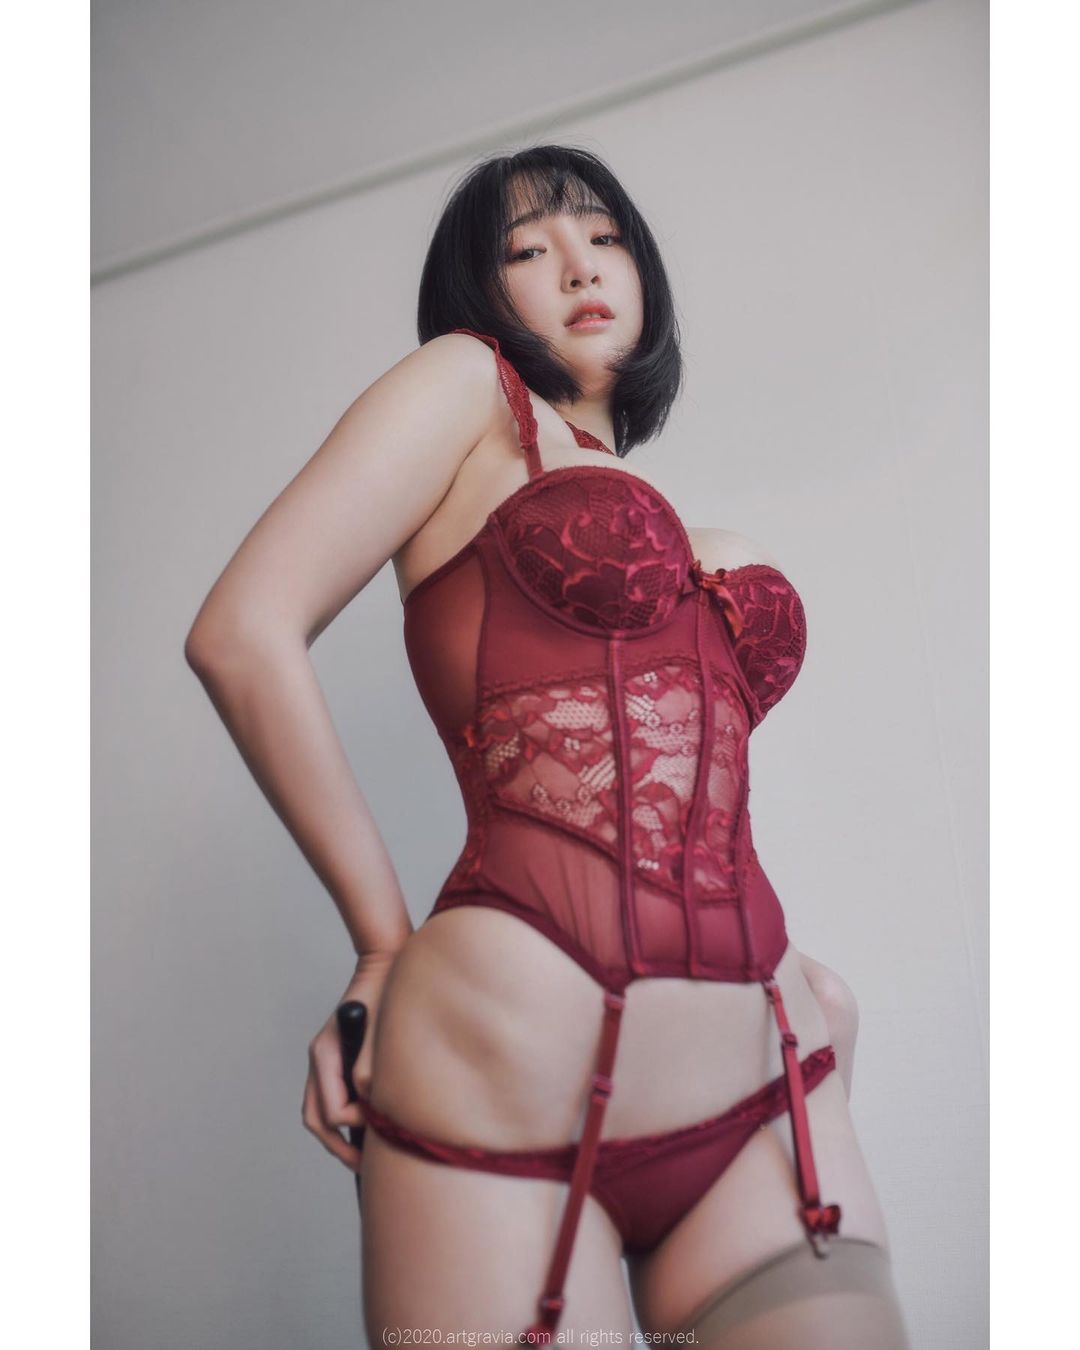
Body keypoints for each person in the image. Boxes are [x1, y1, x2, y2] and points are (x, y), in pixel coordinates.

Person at [185, 145, 911, 1347]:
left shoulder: (679, 523)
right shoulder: (466, 390)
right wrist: (381, 948)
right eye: (528, 248)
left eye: (605, 236)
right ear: (481, 294)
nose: (579, 265)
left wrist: (817, 994)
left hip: (768, 1070)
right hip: (507, 1063)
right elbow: (241, 633)